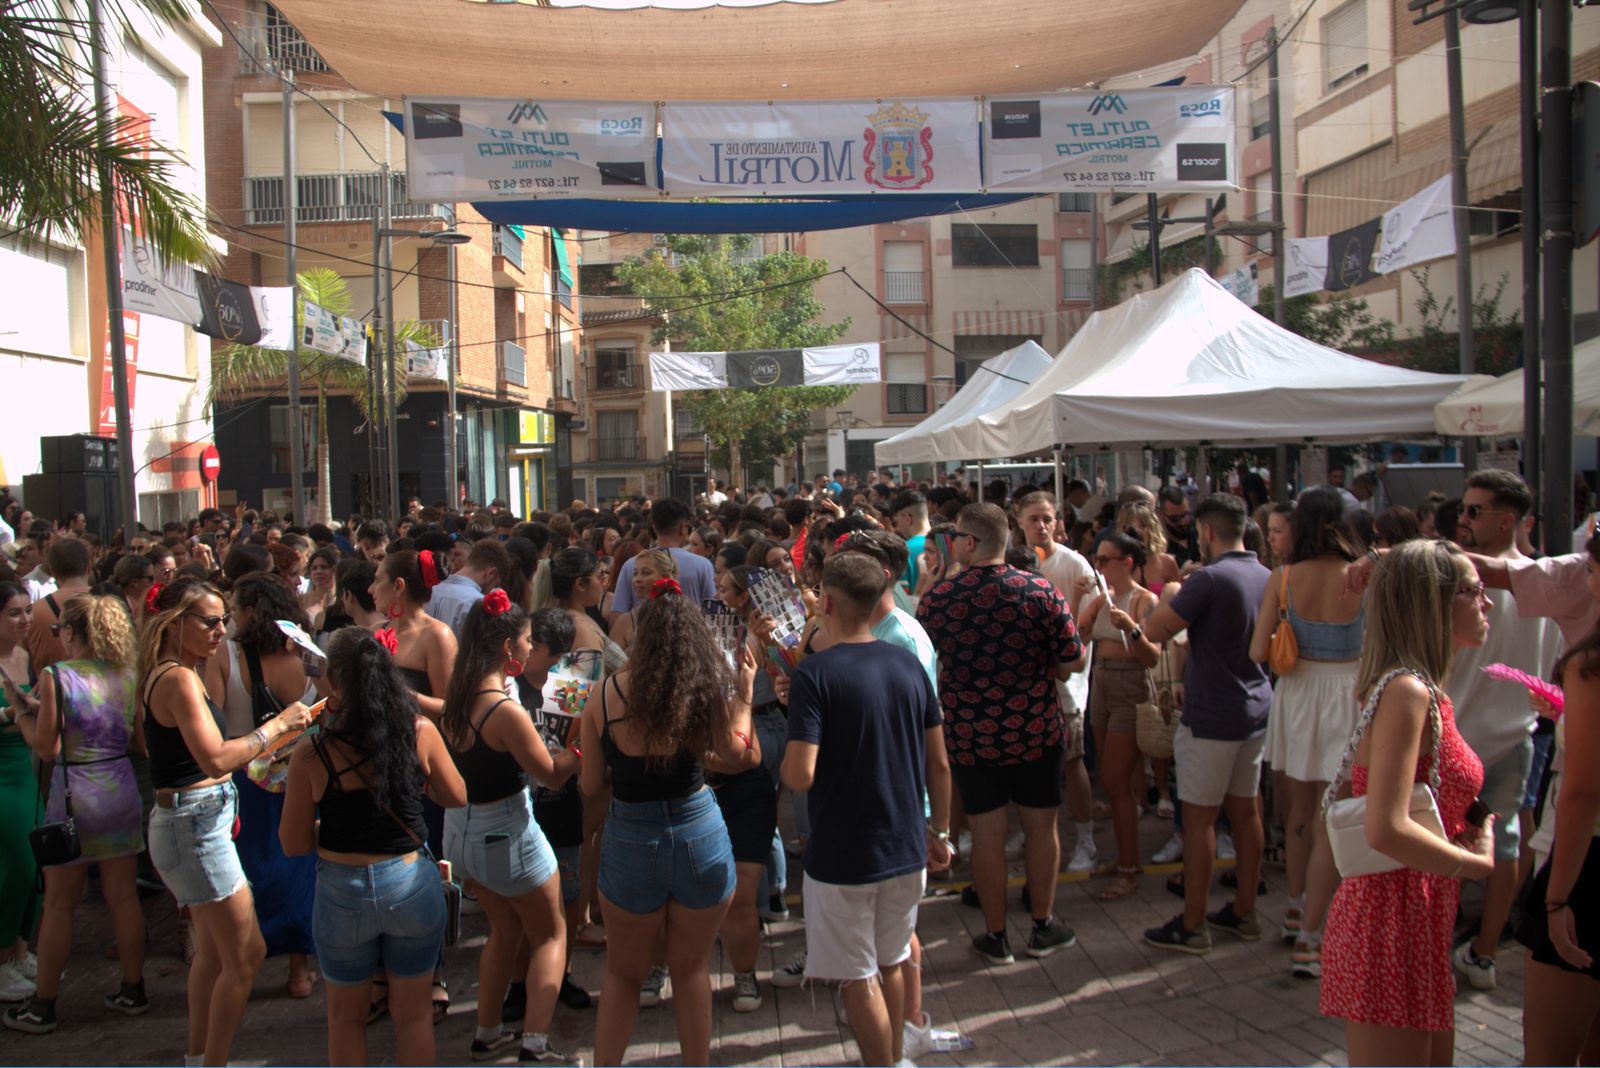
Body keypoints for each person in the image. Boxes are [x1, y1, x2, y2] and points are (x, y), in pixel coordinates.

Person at [1320, 540, 1494, 1065]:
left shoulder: (1422, 688)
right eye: (1473, 590)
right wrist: (1473, 863)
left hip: (1415, 918)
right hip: (1388, 923)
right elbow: (1386, 827)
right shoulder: (1408, 692)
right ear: (1433, 602)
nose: (1486, 602)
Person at [782, 553, 953, 1066]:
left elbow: (800, 774)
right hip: (905, 843)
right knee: (894, 961)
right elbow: (940, 764)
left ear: (827, 602)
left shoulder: (815, 675)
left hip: (844, 853)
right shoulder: (907, 662)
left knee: (858, 977)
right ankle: (897, 1056)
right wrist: (940, 831)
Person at [578, 576, 753, 1068]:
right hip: (699, 829)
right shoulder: (702, 692)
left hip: (631, 835)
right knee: (693, 968)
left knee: (623, 974)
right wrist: (744, 693)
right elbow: (734, 752)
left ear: (641, 635)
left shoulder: (605, 697)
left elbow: (591, 785)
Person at [139, 578, 314, 1066]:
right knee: (247, 955)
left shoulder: (178, 672)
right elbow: (216, 758)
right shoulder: (176, 677)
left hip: (194, 822)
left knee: (215, 956)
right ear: (174, 623)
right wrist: (277, 727)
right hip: (194, 827)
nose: (222, 629)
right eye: (209, 621)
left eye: (224, 619)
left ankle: (200, 1058)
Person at [279, 627, 467, 1067]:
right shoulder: (418, 732)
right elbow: (457, 795)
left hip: (342, 891)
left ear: (335, 679)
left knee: (346, 1019)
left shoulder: (311, 752)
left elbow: (293, 844)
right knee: (415, 1014)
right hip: (410, 881)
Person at [916, 502, 1085, 964]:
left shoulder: (941, 599)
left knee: (988, 836)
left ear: (969, 542)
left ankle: (996, 935)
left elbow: (924, 661)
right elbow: (1074, 662)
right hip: (1036, 729)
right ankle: (1043, 924)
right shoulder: (1040, 590)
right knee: (1041, 828)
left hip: (971, 736)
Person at [440, 593, 581, 1065]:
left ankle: (487, 1032)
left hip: (461, 834)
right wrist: (578, 748)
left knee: (504, 929)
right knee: (550, 935)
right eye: (526, 639)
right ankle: (535, 1045)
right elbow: (551, 773)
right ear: (506, 647)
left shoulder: (458, 697)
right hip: (507, 832)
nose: (529, 647)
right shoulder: (504, 710)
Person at [1, 594, 145, 1034]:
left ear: (73, 632)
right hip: (119, 786)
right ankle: (133, 987)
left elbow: (47, 747)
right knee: (123, 895)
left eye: (60, 629)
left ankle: (43, 1005)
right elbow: (139, 741)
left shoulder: (55, 675)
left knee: (61, 903)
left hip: (74, 791)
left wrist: (23, 711)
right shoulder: (125, 672)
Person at [1140, 494, 1271, 954]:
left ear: (1208, 531)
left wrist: (1178, 589)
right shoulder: (1266, 575)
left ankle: (1193, 924)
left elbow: (1155, 630)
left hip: (1213, 711)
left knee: (1199, 820)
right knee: (1246, 811)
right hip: (1255, 706)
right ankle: (1245, 910)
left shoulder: (1209, 579)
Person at [1444, 471, 1558, 993]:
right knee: (1505, 844)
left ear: (1507, 520)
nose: (1461, 520)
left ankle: (1457, 946)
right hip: (1513, 735)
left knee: (1448, 847)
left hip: (1467, 735)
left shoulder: (1467, 580)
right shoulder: (1543, 580)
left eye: (1473, 511)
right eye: (1463, 510)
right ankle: (1483, 952)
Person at [1250, 487, 1365, 977]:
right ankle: (1317, 931)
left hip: (1298, 692)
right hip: (1350, 693)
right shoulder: (1366, 575)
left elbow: (1258, 652)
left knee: (1298, 810)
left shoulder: (1285, 576)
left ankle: (1295, 906)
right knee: (1334, 814)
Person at [202, 573, 320, 999]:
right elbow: (331, 703)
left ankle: (241, 962)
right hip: (301, 777)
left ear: (249, 611)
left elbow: (213, 721)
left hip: (242, 778)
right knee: (298, 865)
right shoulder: (305, 654)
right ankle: (299, 971)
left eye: (233, 609)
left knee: (245, 869)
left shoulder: (224, 657)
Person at [1516, 533, 1600, 1064]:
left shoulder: (1591, 665)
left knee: (1549, 1055)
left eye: (1593, 570)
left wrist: (1556, 899)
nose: (1588, 581)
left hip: (1589, 867)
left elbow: (1583, 790)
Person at [1014, 490, 1102, 872]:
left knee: (1073, 762)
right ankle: (1026, 830)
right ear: (1018, 521)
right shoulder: (1012, 562)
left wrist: (1064, 655)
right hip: (1024, 685)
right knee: (1022, 763)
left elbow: (1093, 622)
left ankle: (1086, 839)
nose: (1041, 525)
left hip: (1066, 688)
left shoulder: (1076, 564)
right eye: (1033, 518)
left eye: (1047, 518)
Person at [1077, 533, 1161, 900]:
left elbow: (1152, 656)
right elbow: (1077, 635)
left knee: (1115, 779)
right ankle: (1128, 858)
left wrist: (1132, 626)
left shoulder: (1145, 600)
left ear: (1127, 562)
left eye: (1105, 560)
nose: (1099, 566)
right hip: (1102, 680)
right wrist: (1085, 602)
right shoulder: (1100, 598)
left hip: (1129, 683)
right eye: (1096, 559)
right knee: (1113, 782)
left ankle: (1128, 867)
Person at [0, 582, 38, 1000]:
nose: (25, 620)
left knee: (34, 865)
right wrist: (12, 712)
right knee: (13, 867)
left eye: (27, 611)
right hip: (2, 776)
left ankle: (21, 949)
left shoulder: (26, 656)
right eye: (14, 612)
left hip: (27, 772)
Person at [607, 499, 716, 624]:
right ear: (682, 528)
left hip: (643, 640)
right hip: (690, 640)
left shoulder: (632, 565)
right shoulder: (702, 565)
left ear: (653, 527)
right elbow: (712, 615)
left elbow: (617, 615)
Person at [26, 537, 92, 673]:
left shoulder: (33, 613)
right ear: (89, 567)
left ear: (52, 571)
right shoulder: (112, 606)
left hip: (52, 690)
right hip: (107, 691)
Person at [607, 550, 676, 652]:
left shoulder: (683, 615)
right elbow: (608, 665)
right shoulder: (626, 621)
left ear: (665, 577)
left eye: (646, 573)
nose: (637, 579)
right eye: (635, 573)